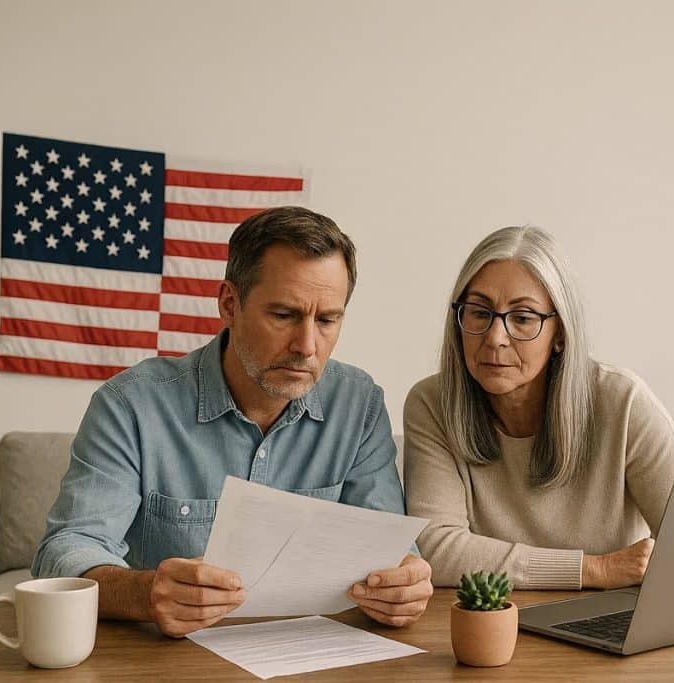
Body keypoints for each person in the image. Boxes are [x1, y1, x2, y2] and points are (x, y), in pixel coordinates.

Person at [33, 206, 433, 636]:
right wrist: (145, 593)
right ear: (229, 304)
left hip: (311, 654)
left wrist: (403, 584)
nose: (306, 345)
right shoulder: (131, 404)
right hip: (165, 659)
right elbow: (67, 550)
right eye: (283, 315)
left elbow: (392, 549)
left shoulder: (360, 404)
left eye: (328, 320)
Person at [404, 225, 674, 590]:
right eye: (479, 313)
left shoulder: (623, 402)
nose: (496, 339)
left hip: (608, 620)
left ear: (560, 333)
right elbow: (435, 549)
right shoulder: (431, 404)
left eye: (523, 318)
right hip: (495, 623)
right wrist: (594, 570)